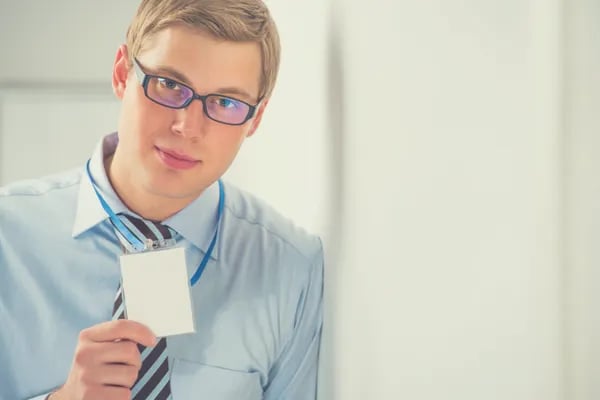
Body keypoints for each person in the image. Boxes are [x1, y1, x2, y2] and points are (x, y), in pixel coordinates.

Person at [0, 0, 324, 399]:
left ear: (254, 120)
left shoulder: (291, 267)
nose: (187, 126)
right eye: (169, 85)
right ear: (122, 74)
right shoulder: (7, 237)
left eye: (226, 103)